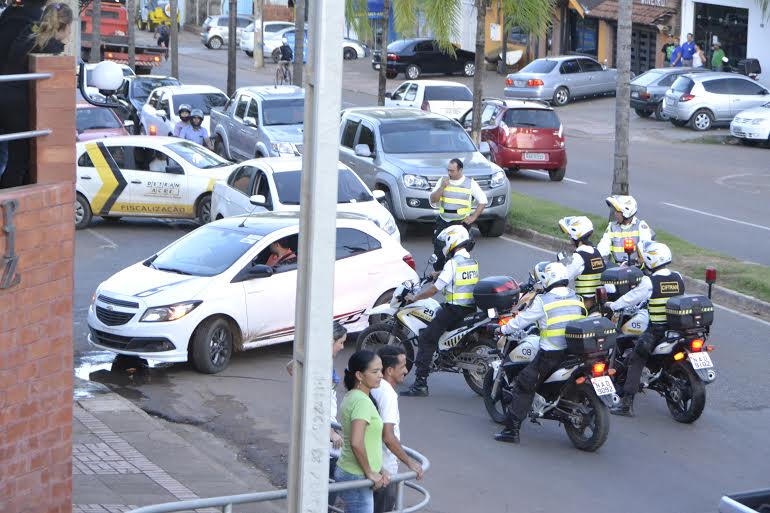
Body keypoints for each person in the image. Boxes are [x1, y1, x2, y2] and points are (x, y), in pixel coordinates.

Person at [494, 262, 586, 443]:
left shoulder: (544, 301)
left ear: (548, 279)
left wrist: (502, 330)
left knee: (524, 383)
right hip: (574, 352)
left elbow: (522, 321)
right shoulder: (577, 297)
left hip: (551, 354)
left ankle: (512, 431)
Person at [604, 241, 684, 417]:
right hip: (678, 328)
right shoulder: (678, 276)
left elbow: (631, 297)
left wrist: (613, 305)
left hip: (657, 331)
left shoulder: (650, 281)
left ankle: (627, 404)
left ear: (650, 260)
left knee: (636, 359)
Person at [0, 2, 73, 189]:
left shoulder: (27, 34)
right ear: (65, 27)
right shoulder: (51, 48)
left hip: (5, 95)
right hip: (17, 104)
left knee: (10, 158)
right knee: (19, 161)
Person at [401, 225, 479, 397]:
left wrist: (415, 298)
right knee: (436, 314)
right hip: (469, 308)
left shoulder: (452, 263)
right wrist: (436, 273)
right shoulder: (471, 262)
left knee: (427, 338)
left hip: (454, 309)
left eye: (445, 241)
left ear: (452, 241)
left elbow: (434, 290)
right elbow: (452, 275)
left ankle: (420, 384)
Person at [286, 321, 348, 506]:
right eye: (341, 342)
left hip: (324, 429)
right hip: (323, 434)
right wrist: (329, 431)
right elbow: (315, 401)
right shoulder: (320, 365)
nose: (343, 347)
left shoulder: (319, 361)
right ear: (331, 341)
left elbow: (290, 367)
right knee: (323, 493)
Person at [371, 346, 424, 513]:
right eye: (402, 367)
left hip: (374, 465)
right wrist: (410, 462)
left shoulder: (373, 387)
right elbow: (388, 436)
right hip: (384, 469)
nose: (406, 371)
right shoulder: (388, 394)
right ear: (389, 370)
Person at [335, 350, 389, 513]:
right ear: (359, 375)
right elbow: (356, 442)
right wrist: (370, 472)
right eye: (374, 371)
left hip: (352, 471)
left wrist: (379, 468)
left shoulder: (352, 395)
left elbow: (366, 440)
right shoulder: (362, 402)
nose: (380, 375)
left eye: (381, 370)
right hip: (357, 474)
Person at [429, 158, 487, 271]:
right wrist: (442, 187)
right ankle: (438, 274)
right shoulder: (443, 181)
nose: (449, 173)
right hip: (444, 221)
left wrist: (473, 217)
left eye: (452, 171)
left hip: (461, 223)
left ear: (460, 170)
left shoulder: (470, 183)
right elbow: (433, 200)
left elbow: (483, 200)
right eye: (448, 170)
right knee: (439, 247)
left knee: (458, 250)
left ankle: (456, 272)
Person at [558, 216, 606, 312]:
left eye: (570, 236)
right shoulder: (596, 252)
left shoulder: (578, 258)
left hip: (584, 306)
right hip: (597, 304)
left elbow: (560, 279)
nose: (570, 239)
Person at [597, 195, 654, 267]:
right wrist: (599, 257)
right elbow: (603, 246)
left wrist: (637, 261)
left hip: (637, 269)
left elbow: (645, 250)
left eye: (618, 212)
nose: (615, 214)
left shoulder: (641, 226)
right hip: (617, 269)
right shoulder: (612, 226)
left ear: (626, 212)